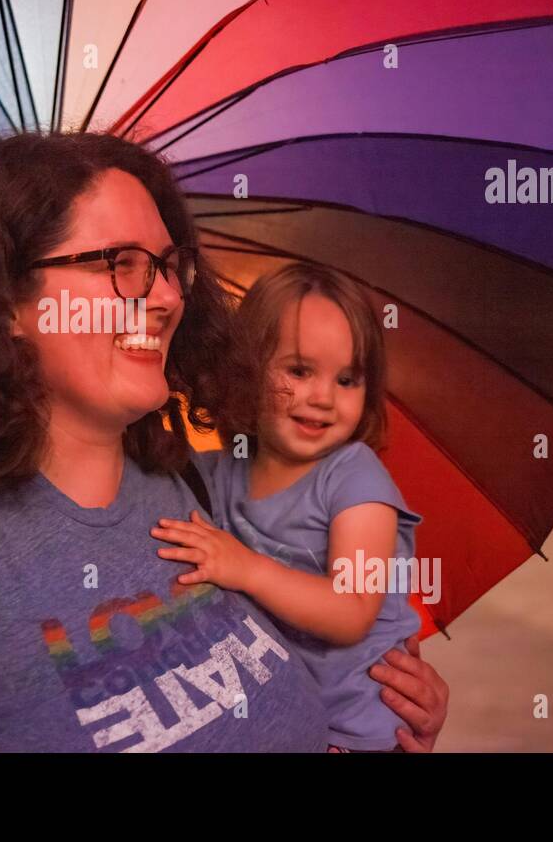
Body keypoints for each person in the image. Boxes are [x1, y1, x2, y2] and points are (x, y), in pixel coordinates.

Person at [0, 131, 448, 753]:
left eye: (168, 266)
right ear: (5, 303)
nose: (164, 297)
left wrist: (382, 699)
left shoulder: (199, 485)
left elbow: (327, 619)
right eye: (119, 264)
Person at [154, 262, 423, 751]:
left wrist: (247, 569)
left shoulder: (353, 474)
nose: (323, 398)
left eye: (347, 380)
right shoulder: (220, 471)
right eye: (299, 371)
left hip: (357, 733)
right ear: (246, 371)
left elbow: (352, 610)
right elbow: (150, 452)